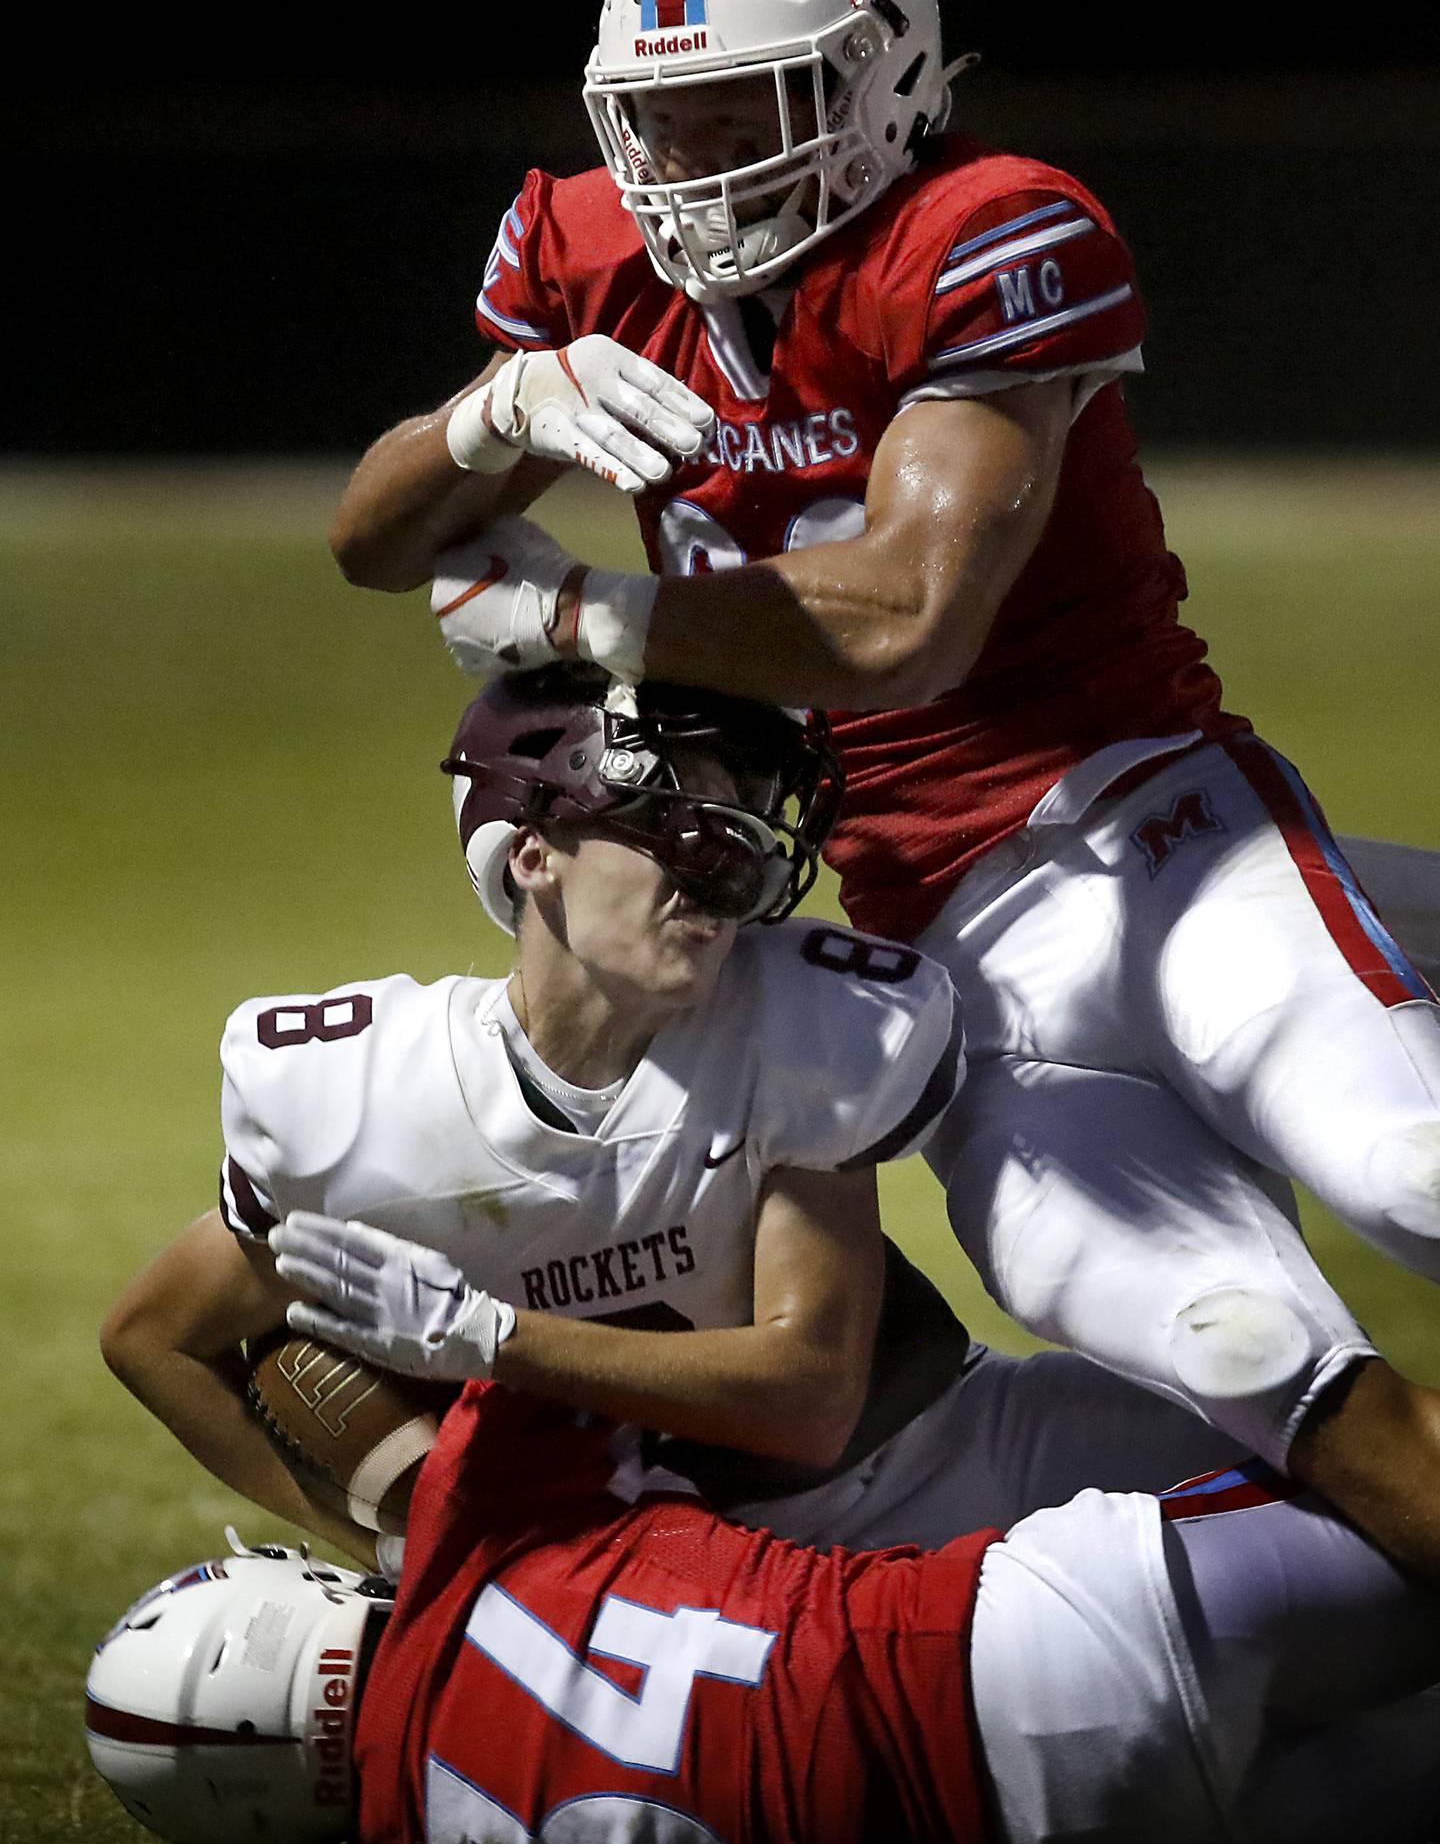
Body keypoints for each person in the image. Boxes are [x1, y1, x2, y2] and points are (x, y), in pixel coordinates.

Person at [325, 0, 1440, 1575]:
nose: (689, 158)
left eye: (741, 107)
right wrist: (488, 412)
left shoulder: (988, 229)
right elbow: (375, 544)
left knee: (1410, 1171)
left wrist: (583, 620)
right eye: (658, 114)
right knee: (1246, 1354)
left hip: (1151, 837)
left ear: (884, 75)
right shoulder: (581, 247)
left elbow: (917, 616)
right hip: (937, 947)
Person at [100, 664, 1241, 1572]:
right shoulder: (360, 1099)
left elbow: (809, 1396)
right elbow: (158, 1338)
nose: (727, 862)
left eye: (745, 824)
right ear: (533, 848)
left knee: (1313, 1465)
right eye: (678, 820)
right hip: (659, 1580)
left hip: (934, 1463)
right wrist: (388, 1552)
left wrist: (489, 1337)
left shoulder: (799, 1025)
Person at [86, 1379, 1440, 1844]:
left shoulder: (454, 1831)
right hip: (1061, 1625)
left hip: (1081, 1832)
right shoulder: (486, 1543)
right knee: (1409, 1457)